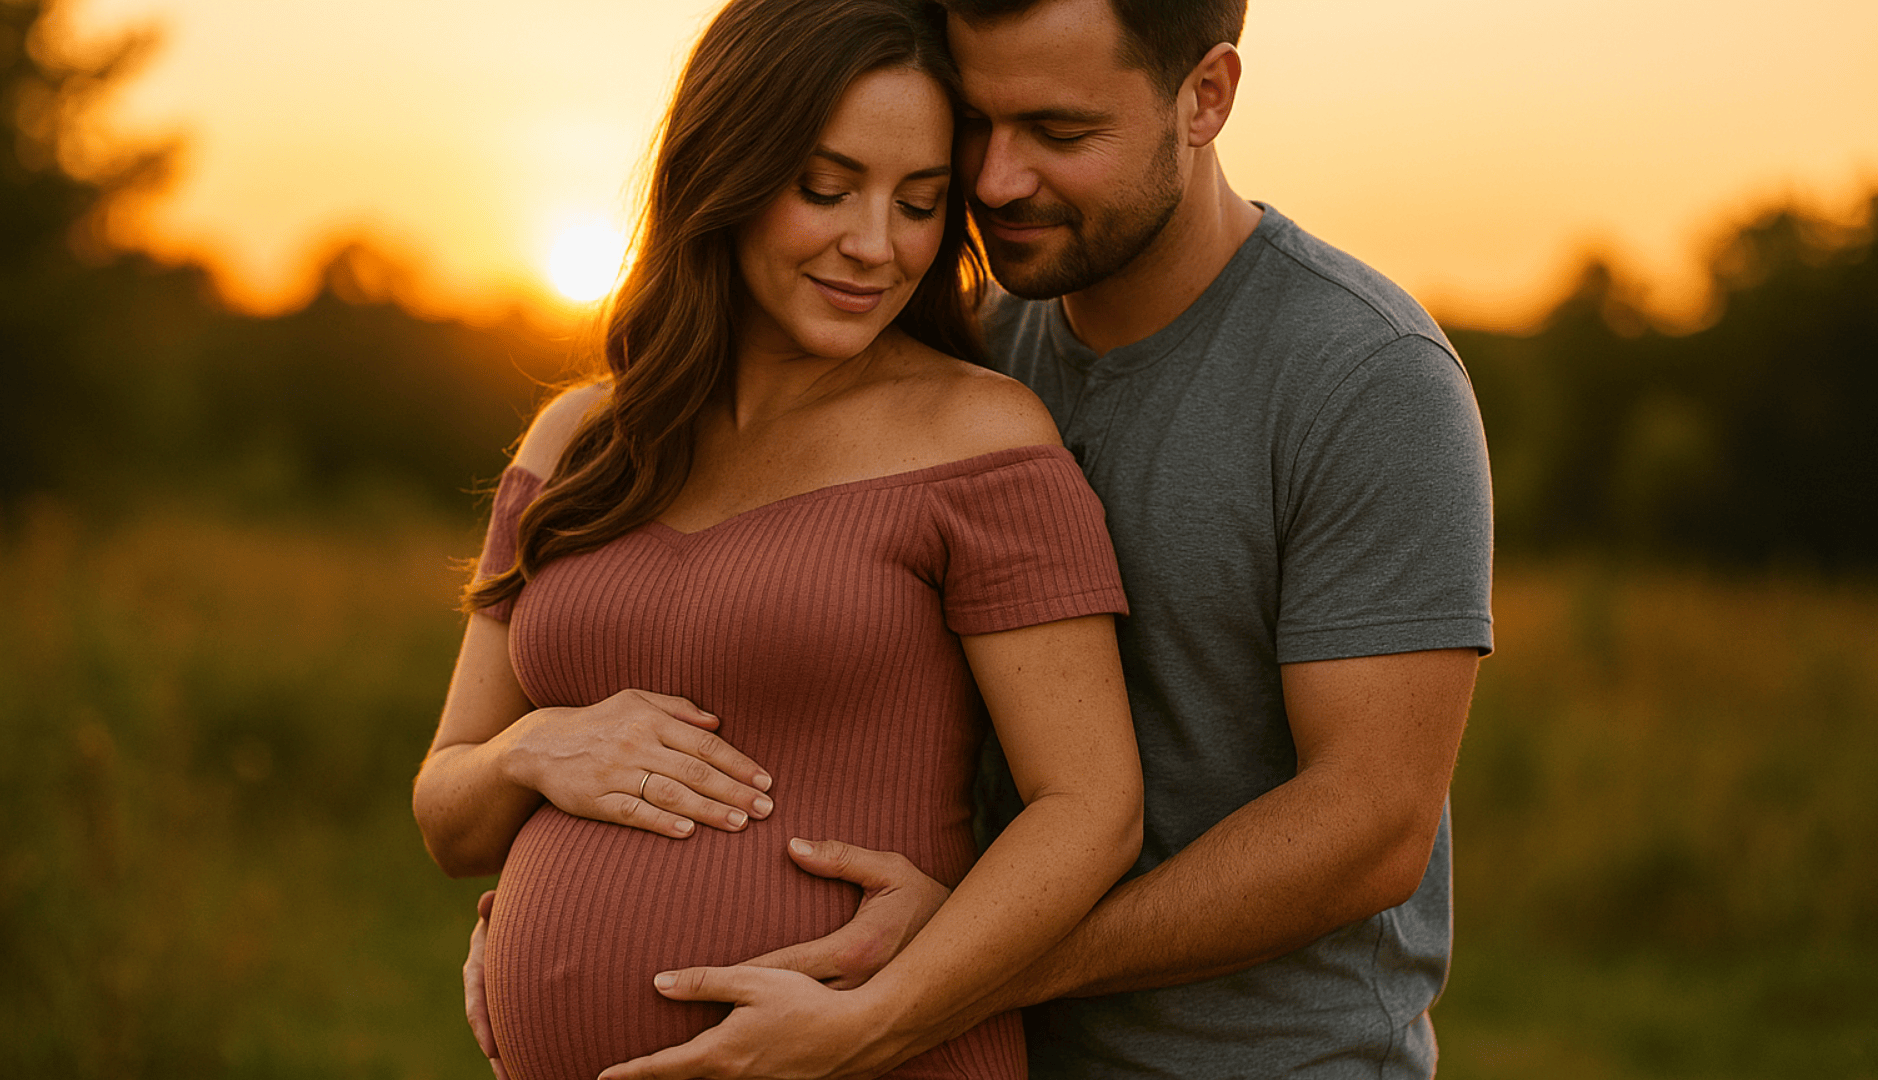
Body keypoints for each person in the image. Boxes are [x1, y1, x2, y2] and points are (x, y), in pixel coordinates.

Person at [466, 0, 1493, 1076]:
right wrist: (563, 905)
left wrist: (949, 978)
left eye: (1057, 132)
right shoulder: (958, 347)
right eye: (976, 126)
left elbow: (1370, 825)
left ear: (1206, 97)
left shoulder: (1364, 378)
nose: (995, 182)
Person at [410, 1, 1148, 1078]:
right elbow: (449, 817)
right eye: (826, 187)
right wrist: (535, 749)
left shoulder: (979, 437)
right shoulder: (579, 441)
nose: (874, 245)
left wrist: (873, 1021)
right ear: (728, 169)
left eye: (920, 204)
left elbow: (1091, 810)